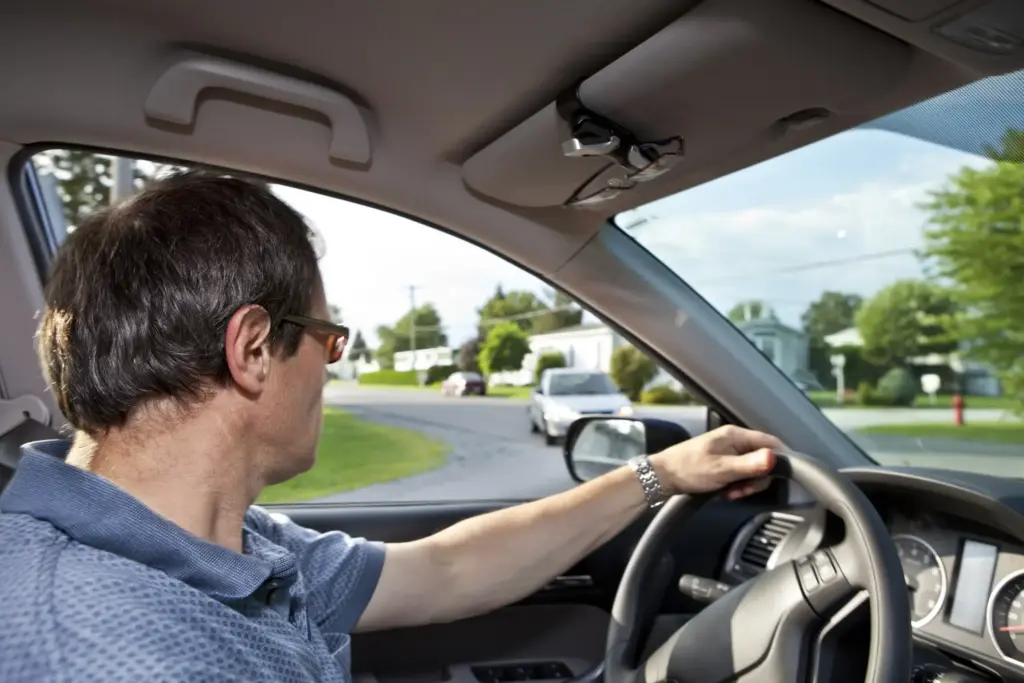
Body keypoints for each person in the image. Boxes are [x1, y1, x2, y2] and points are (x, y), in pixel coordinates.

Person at [0, 170, 782, 683]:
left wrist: (662, 474)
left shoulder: (231, 542)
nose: (333, 368)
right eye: (330, 340)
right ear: (253, 349)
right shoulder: (93, 646)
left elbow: (443, 570)